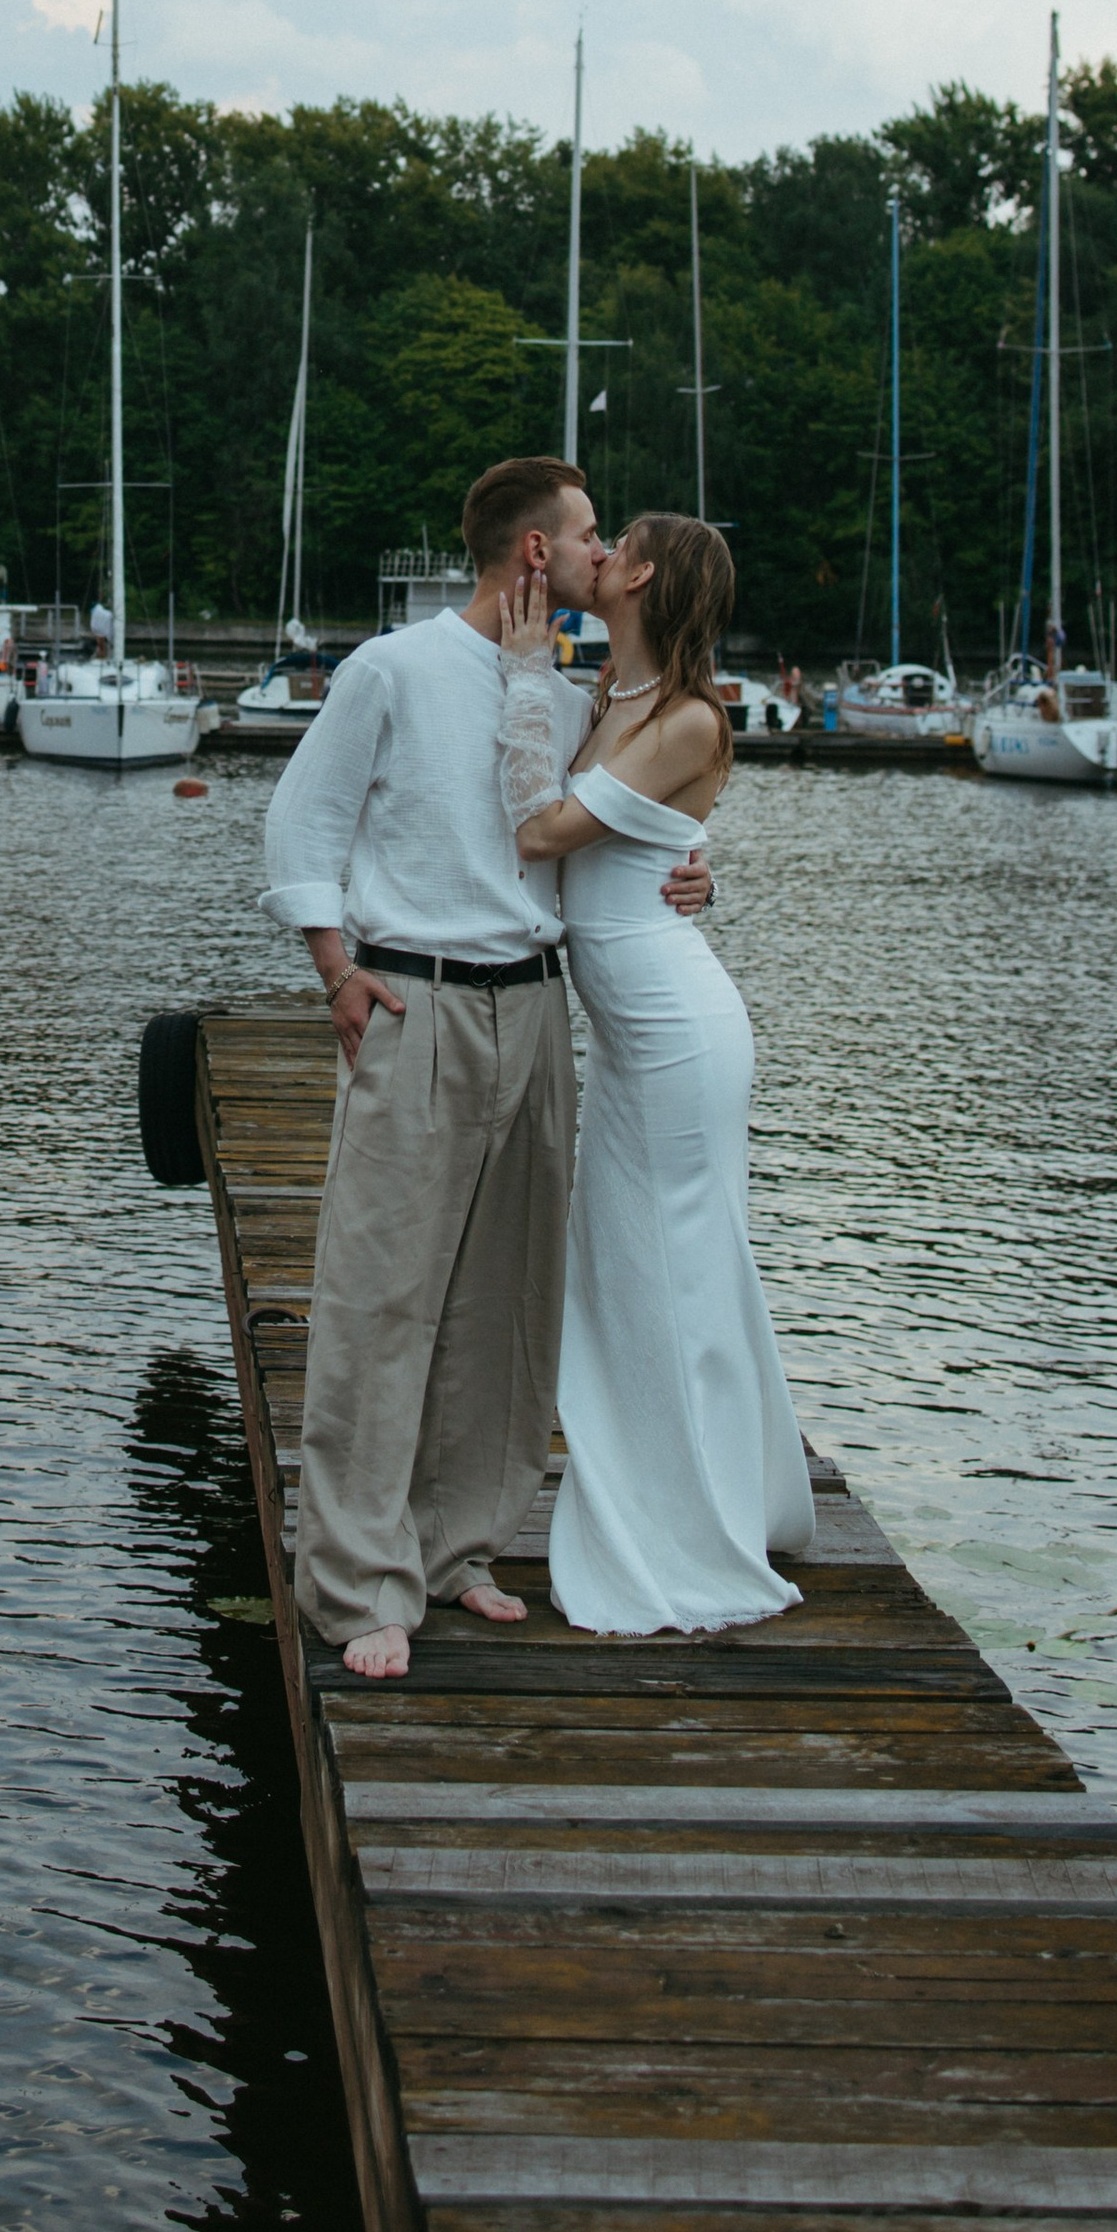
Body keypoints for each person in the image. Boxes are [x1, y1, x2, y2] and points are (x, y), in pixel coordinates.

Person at [261, 459, 713, 1682]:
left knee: (510, 1300)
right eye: (584, 536)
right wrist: (333, 969)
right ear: (534, 556)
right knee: (382, 1298)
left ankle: (458, 1548)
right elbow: (301, 823)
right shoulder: (391, 670)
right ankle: (359, 1584)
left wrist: (688, 872)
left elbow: (608, 836)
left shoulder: (565, 696)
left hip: (540, 1011)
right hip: (420, 999)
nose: (600, 552)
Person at [498, 512, 813, 1634]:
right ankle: (707, 1489)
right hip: (634, 1035)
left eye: (611, 537)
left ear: (635, 574)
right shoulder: (613, 701)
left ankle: (695, 1523)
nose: (595, 547)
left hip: (680, 1037)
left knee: (670, 1270)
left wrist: (527, 677)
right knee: (640, 1267)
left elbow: (542, 833)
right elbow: (635, 857)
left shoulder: (687, 717)